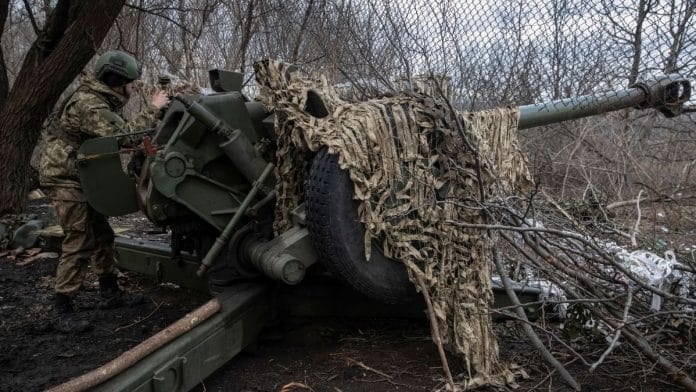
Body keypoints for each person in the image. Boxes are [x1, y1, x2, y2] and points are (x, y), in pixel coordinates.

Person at [39, 50, 170, 333]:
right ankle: (61, 307)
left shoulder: (99, 99)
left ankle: (110, 292)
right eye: (131, 82)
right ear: (115, 80)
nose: (134, 87)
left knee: (102, 235)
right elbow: (124, 136)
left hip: (82, 175)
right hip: (65, 177)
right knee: (80, 239)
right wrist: (154, 107)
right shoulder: (89, 104)